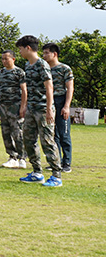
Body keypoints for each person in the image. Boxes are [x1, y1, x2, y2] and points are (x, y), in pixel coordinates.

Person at [17, 36, 62, 187]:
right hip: (31, 108)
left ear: (28, 48)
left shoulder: (42, 65)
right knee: (28, 140)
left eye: (21, 49)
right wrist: (24, 106)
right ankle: (37, 172)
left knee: (47, 142)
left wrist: (49, 109)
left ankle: (56, 176)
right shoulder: (28, 66)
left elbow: (49, 87)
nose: (20, 52)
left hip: (43, 109)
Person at [43, 43, 74, 173]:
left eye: (46, 53)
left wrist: (66, 106)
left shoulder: (64, 68)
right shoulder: (44, 69)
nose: (44, 56)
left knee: (64, 134)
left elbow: (70, 88)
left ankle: (66, 163)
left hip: (61, 101)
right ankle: (56, 161)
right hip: (48, 102)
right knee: (52, 134)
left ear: (54, 54)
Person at [0, 51, 26, 169]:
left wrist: (23, 107)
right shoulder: (1, 73)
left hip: (15, 106)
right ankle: (12, 156)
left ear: (13, 59)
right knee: (5, 132)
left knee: (17, 132)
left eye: (6, 59)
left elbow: (24, 90)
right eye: (2, 59)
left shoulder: (19, 72)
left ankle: (22, 157)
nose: (4, 61)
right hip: (3, 107)